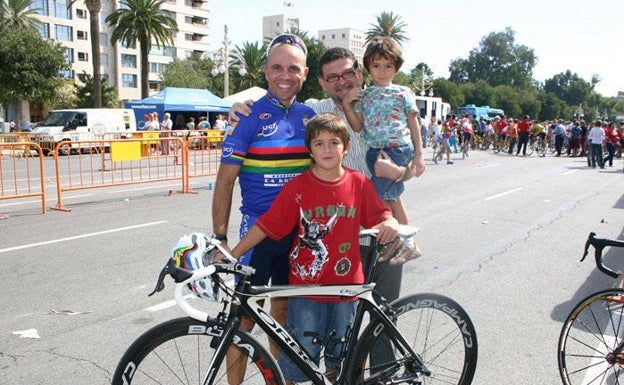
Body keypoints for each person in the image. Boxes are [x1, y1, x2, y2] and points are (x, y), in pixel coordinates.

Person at [228, 113, 399, 384]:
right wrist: (233, 253)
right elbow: (269, 225)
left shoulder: (358, 183)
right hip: (307, 292)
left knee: (341, 363)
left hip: (347, 289)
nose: (327, 150)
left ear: (346, 146)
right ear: (309, 150)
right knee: (297, 365)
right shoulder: (298, 187)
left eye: (334, 142)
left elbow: (380, 215)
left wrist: (390, 221)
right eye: (319, 144)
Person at [211, 33, 314, 381]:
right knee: (242, 320)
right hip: (257, 233)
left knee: (283, 316)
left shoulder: (310, 116)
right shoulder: (247, 116)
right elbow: (224, 182)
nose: (285, 75)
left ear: (304, 73)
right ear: (266, 72)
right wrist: (220, 238)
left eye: (293, 68)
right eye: (277, 67)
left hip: (299, 234)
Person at [342, 36, 423, 260]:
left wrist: (419, 154)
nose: (382, 71)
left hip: (396, 148)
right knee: (389, 197)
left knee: (385, 198)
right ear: (368, 67)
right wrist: (349, 106)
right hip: (374, 151)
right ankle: (403, 241)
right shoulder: (365, 95)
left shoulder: (402, 92)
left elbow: (413, 123)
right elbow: (357, 126)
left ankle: (406, 241)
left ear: (396, 67)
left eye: (388, 66)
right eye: (376, 65)